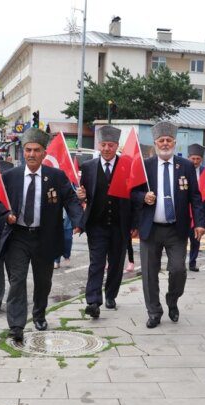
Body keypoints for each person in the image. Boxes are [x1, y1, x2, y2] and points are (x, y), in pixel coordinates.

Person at [0, 128, 83, 342]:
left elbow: (70, 199)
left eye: (36, 150)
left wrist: (78, 220)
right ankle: (16, 325)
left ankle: (39, 314)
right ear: (23, 152)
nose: (31, 154)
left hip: (45, 237)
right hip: (18, 236)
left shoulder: (56, 176)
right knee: (17, 281)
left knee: (43, 281)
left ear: (44, 153)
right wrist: (6, 215)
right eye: (28, 150)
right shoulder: (10, 177)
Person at [131, 121, 205, 328]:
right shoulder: (145, 166)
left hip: (176, 229)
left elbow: (196, 197)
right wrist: (143, 197)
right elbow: (132, 193)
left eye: (168, 140)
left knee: (178, 269)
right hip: (150, 228)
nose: (165, 144)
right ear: (155, 143)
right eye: (161, 140)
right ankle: (154, 311)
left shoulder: (187, 166)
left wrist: (199, 223)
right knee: (149, 273)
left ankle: (172, 300)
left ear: (175, 142)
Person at [75, 125, 133, 318]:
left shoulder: (128, 165)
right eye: (104, 145)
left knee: (116, 263)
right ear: (99, 146)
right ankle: (93, 301)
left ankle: (110, 295)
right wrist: (81, 196)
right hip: (97, 224)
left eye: (111, 145)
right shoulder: (88, 167)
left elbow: (134, 197)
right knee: (96, 263)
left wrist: (135, 225)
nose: (107, 148)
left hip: (120, 224)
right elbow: (82, 195)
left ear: (117, 146)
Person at [186, 143, 205, 272]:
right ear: (188, 157)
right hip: (184, 209)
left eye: (197, 159)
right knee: (180, 238)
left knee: (196, 238)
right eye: (192, 158)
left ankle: (192, 262)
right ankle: (176, 261)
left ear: (201, 159)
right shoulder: (182, 168)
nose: (195, 161)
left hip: (200, 210)